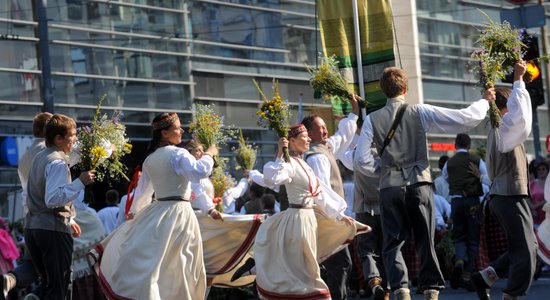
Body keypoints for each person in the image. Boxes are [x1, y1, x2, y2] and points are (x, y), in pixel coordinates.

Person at [354, 66, 494, 300]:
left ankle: (400, 288)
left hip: (390, 186)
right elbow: (463, 119)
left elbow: (360, 160)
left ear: (383, 91)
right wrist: (484, 101)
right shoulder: (419, 111)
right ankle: (430, 288)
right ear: (406, 88)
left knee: (393, 241)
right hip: (419, 181)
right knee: (424, 238)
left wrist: (383, 170)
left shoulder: (372, 119)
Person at [95, 112, 218, 299]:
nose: (181, 130)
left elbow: (143, 192)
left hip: (159, 214)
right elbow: (198, 173)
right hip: (179, 214)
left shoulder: (150, 159)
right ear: (165, 133)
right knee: (182, 264)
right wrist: (209, 154)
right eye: (177, 128)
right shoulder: (179, 153)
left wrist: (135, 213)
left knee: (159, 263)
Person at [253, 124, 368, 299]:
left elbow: (320, 194)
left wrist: (340, 215)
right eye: (304, 136)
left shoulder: (303, 163)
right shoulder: (289, 163)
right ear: (291, 141)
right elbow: (272, 178)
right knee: (305, 273)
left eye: (308, 136)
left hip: (307, 221)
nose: (308, 139)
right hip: (297, 222)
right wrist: (279, 153)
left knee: (306, 271)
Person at [471, 61, 537, 300]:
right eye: (510, 105)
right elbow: (522, 118)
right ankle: (511, 295)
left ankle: (486, 276)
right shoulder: (503, 127)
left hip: (505, 194)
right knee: (526, 249)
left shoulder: (497, 128)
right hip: (508, 193)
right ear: (505, 108)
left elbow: (519, 117)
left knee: (527, 246)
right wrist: (518, 79)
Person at [24, 113, 95, 300]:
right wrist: (80, 182)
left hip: (33, 228)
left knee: (50, 285)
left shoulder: (41, 157)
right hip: (52, 229)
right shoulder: (57, 161)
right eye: (72, 134)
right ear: (58, 138)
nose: (75, 139)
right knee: (60, 288)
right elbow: (53, 199)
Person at [302, 95, 359, 300]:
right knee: (340, 265)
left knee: (337, 265)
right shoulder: (317, 156)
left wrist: (354, 112)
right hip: (326, 220)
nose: (326, 130)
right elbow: (322, 191)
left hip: (326, 219)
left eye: (325, 126)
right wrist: (338, 215)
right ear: (309, 133)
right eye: (321, 127)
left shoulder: (323, 149)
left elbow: (342, 137)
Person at [2, 112, 51, 300]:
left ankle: (10, 280)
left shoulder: (25, 157)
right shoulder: (49, 153)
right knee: (58, 268)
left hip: (29, 219)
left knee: (33, 265)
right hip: (49, 218)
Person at [442, 133, 487, 290]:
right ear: (469, 146)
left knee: (459, 236)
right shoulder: (476, 160)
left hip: (456, 201)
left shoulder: (449, 163)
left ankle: (460, 260)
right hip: (472, 201)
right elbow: (486, 179)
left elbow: (445, 178)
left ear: (455, 145)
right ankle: (468, 274)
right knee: (473, 239)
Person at [529, 160, 549, 227]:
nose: (541, 171)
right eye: (539, 169)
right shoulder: (532, 183)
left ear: (547, 170)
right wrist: (532, 209)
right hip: (536, 218)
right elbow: (526, 197)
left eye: (543, 169)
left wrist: (534, 206)